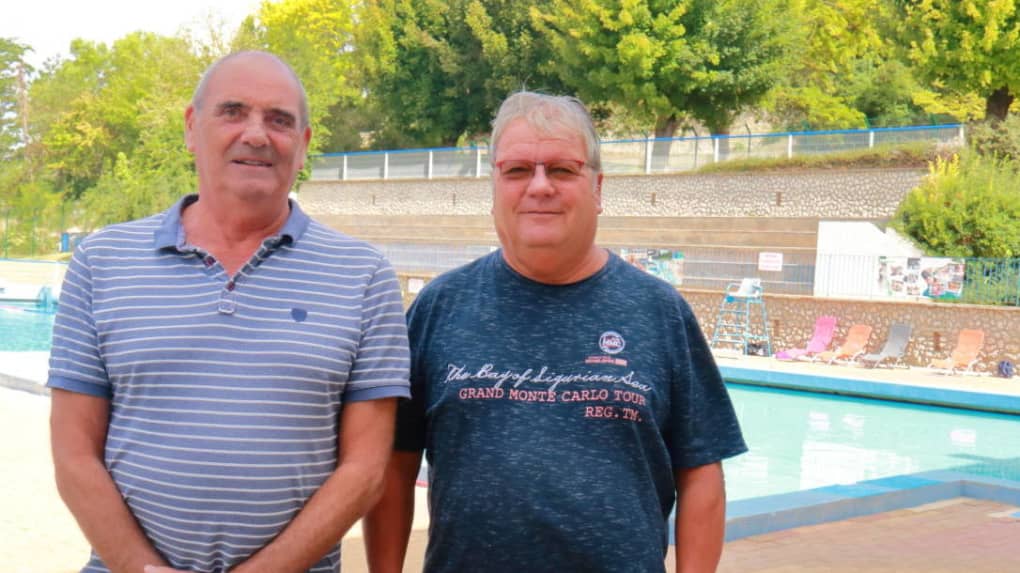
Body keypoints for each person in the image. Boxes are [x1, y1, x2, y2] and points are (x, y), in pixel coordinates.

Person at [47, 51, 410, 573]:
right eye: (233, 112)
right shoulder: (102, 261)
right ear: (192, 128)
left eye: (279, 120)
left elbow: (366, 468)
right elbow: (74, 453)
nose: (256, 135)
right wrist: (142, 568)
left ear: (304, 144)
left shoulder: (364, 275)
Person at [363, 92, 747, 572]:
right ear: (494, 187)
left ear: (598, 188)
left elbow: (701, 470)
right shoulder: (439, 307)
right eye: (517, 170)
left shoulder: (660, 312)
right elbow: (394, 465)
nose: (540, 186)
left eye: (563, 170)